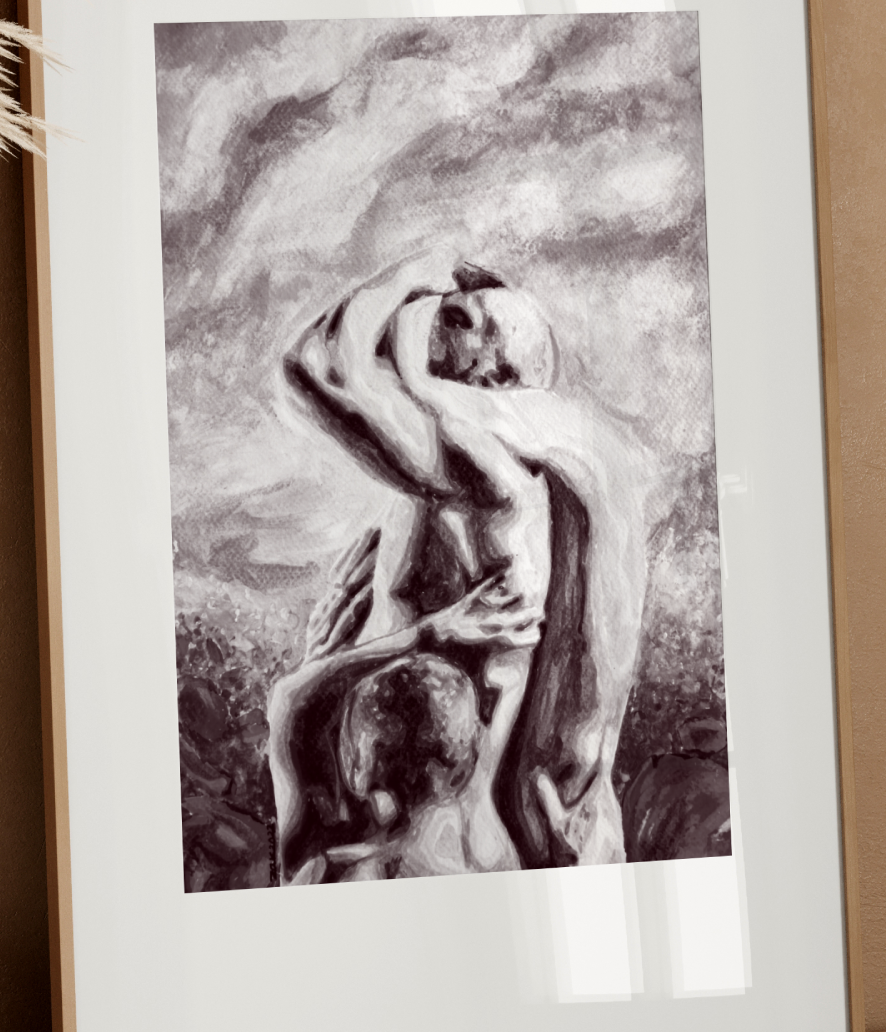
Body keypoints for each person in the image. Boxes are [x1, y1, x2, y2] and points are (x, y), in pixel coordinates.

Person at [282, 250, 659, 868]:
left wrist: (419, 268)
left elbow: (318, 367)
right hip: (374, 802)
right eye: (463, 312)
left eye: (479, 323)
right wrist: (330, 658)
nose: (452, 316)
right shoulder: (439, 492)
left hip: (436, 842)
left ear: (500, 382)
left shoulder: (494, 476)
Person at [267, 550, 540, 882]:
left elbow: (285, 697)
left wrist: (432, 631)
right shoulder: (485, 840)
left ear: (354, 771)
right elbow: (508, 676)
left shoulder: (333, 873)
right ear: (470, 760)